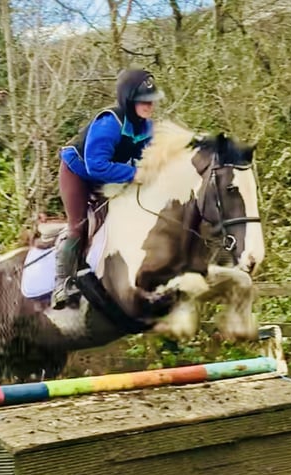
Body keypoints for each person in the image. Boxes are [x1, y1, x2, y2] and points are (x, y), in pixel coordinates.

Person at [52, 68, 164, 309]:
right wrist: (136, 174)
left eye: (151, 100)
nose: (149, 105)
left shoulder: (147, 127)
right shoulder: (109, 123)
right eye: (143, 100)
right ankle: (61, 284)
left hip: (108, 173)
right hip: (78, 171)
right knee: (79, 223)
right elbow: (96, 166)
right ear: (129, 100)